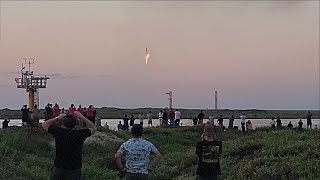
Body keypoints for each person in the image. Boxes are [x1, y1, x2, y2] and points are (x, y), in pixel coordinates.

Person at [42, 111, 96, 180]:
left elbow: (45, 124)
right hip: (75, 168)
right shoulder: (80, 134)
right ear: (75, 123)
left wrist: (58, 118)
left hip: (59, 166)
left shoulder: (59, 132)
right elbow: (93, 128)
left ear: (64, 123)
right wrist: (82, 117)